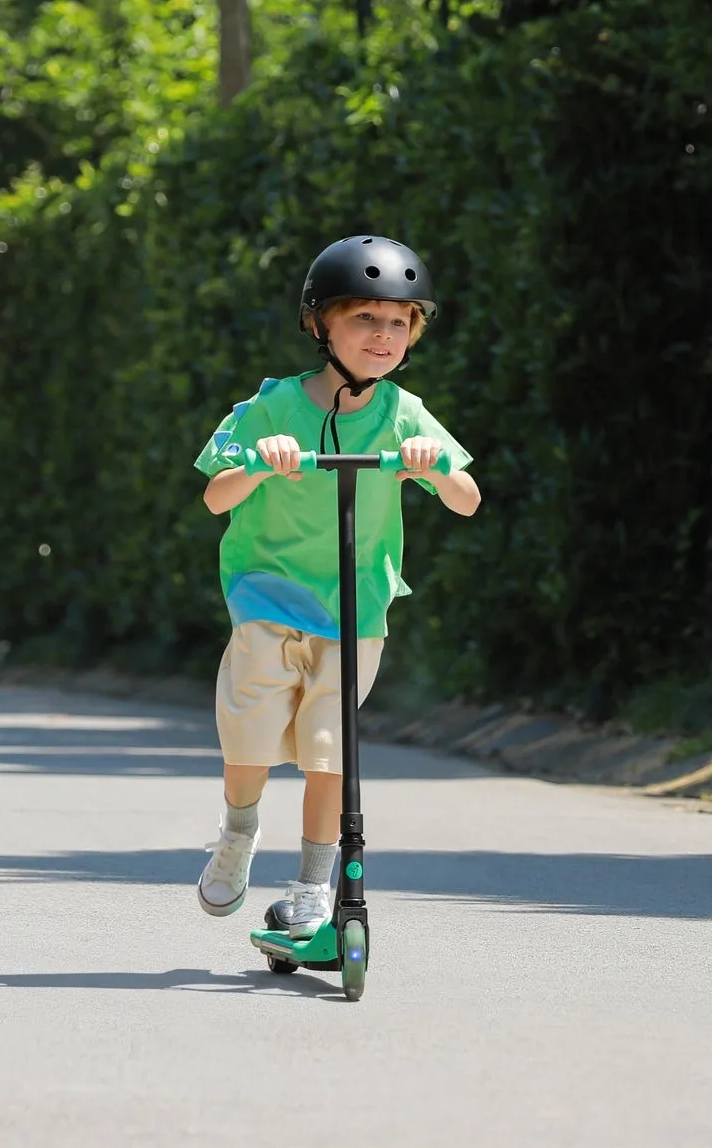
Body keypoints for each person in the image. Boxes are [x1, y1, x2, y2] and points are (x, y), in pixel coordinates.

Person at [192, 235, 480, 937]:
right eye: (365, 319)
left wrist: (432, 467)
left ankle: (315, 888)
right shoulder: (270, 407)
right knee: (252, 731)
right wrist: (263, 462)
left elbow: (467, 497)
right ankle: (238, 831)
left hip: (356, 607)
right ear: (321, 324)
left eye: (398, 322)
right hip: (267, 594)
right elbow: (216, 495)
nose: (383, 336)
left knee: (330, 750)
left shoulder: (406, 413)